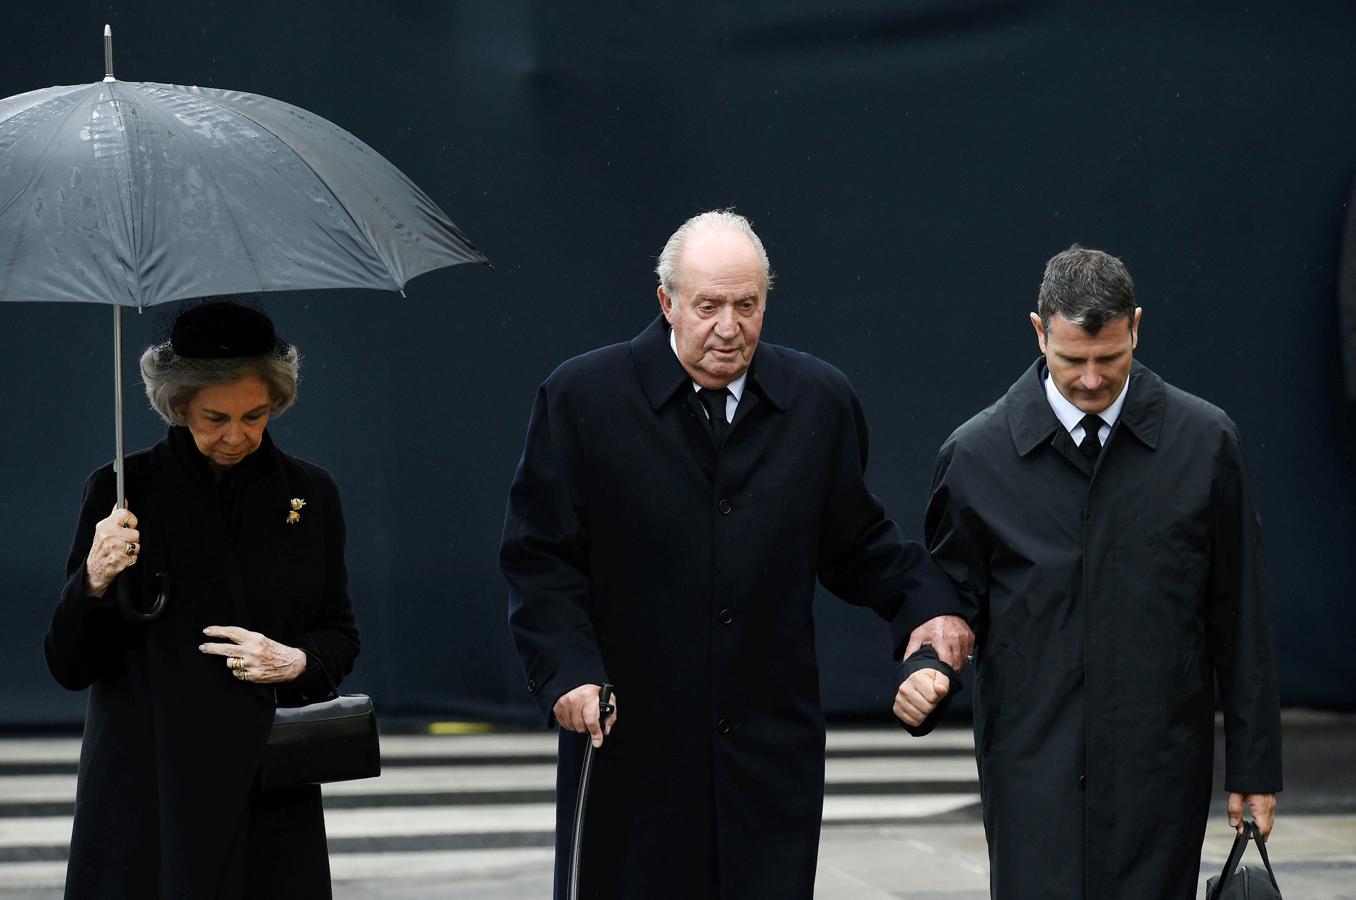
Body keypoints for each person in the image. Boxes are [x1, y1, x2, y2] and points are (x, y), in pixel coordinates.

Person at [500, 209, 973, 900]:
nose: (729, 328)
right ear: (666, 304)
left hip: (768, 750)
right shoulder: (584, 398)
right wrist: (568, 673)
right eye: (708, 306)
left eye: (747, 306)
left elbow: (859, 545)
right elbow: (540, 557)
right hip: (630, 745)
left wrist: (929, 612)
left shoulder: (817, 400)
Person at [925, 246, 1282, 898]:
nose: (1091, 379)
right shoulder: (977, 456)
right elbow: (946, 599)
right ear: (1039, 332)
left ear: (1137, 328)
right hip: (1032, 770)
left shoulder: (1204, 444)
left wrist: (1254, 769)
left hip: (1159, 775)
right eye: (1072, 361)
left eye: (1110, 360)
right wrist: (926, 664)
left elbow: (1241, 616)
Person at [45, 300, 360, 900]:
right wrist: (94, 577)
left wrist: (294, 662)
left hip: (265, 786)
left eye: (256, 415)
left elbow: (340, 635)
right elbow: (67, 663)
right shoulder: (121, 492)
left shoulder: (309, 493)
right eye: (216, 417)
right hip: (149, 785)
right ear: (179, 404)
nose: (237, 436)